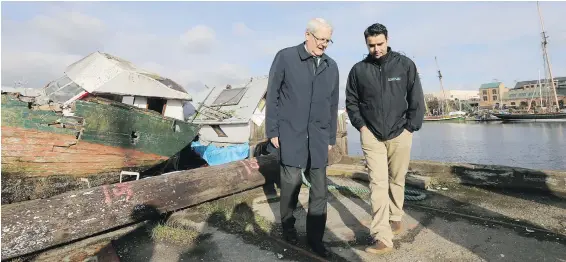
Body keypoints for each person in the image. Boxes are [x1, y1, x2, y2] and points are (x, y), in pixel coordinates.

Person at [345, 22, 425, 254]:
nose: (376, 49)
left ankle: (395, 216)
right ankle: (382, 236)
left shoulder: (405, 65)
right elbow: (351, 102)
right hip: (372, 135)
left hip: (401, 133)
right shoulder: (358, 70)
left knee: (397, 180)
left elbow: (416, 99)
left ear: (387, 40)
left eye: (380, 44)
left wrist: (410, 127)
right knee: (378, 184)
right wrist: (361, 127)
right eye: (371, 45)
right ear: (366, 44)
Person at [265, 18, 340, 258]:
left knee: (319, 190)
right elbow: (273, 95)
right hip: (291, 134)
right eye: (321, 39)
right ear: (307, 35)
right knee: (291, 184)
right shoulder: (286, 57)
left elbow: (332, 104)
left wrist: (331, 136)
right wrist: (273, 131)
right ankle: (288, 226)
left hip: (318, 137)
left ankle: (315, 239)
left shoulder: (332, 66)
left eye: (328, 41)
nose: (324, 45)